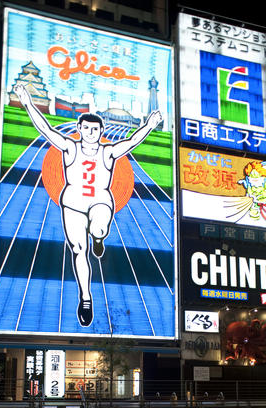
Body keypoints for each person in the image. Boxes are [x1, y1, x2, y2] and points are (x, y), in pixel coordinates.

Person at [14, 83, 162, 326]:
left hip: (100, 201)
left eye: (95, 128)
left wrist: (149, 125)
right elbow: (45, 129)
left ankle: (99, 237)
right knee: (78, 250)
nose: (91, 132)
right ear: (79, 129)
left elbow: (133, 141)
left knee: (98, 228)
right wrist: (28, 102)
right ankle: (85, 297)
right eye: (86, 128)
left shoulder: (108, 151)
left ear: (101, 130)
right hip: (72, 204)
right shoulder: (70, 147)